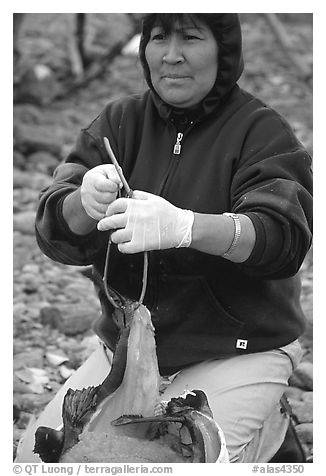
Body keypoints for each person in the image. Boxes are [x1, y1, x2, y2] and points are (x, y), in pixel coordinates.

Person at [17, 13, 312, 463]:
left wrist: (187, 228)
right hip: (130, 351)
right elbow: (53, 228)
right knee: (38, 459)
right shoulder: (119, 122)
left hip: (240, 349)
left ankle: (265, 437)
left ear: (224, 51)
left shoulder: (261, 131)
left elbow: (283, 237)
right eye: (158, 38)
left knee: (167, 461)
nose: (171, 55)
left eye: (191, 38)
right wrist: (83, 202)